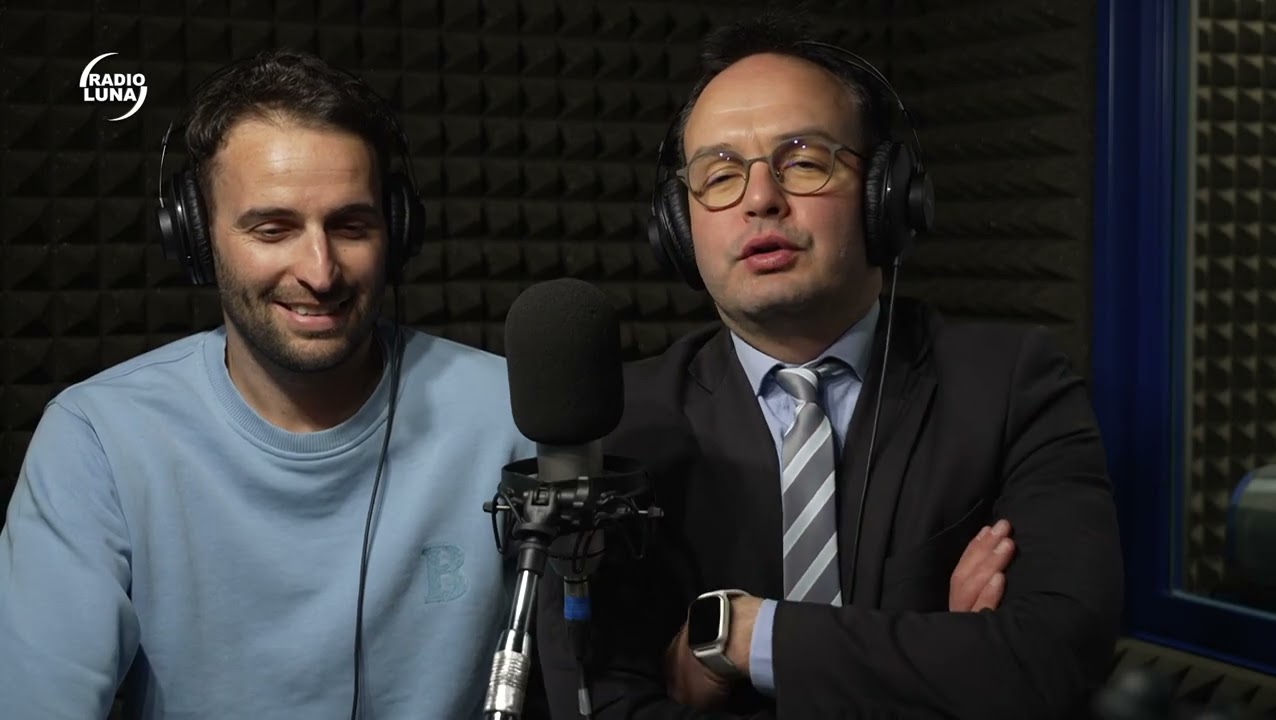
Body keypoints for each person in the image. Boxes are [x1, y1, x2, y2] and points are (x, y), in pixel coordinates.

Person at [536, 13, 1124, 720]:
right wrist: (936, 657)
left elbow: (1050, 660)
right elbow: (597, 704)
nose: (760, 199)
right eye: (719, 176)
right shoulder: (617, 428)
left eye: (804, 162)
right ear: (678, 224)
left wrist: (741, 636)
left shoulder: (1012, 388)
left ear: (887, 195)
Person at [0, 50, 541, 719]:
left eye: (350, 225)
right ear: (197, 238)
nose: (320, 271)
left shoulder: (511, 413)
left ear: (397, 231)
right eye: (273, 228)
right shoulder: (99, 440)